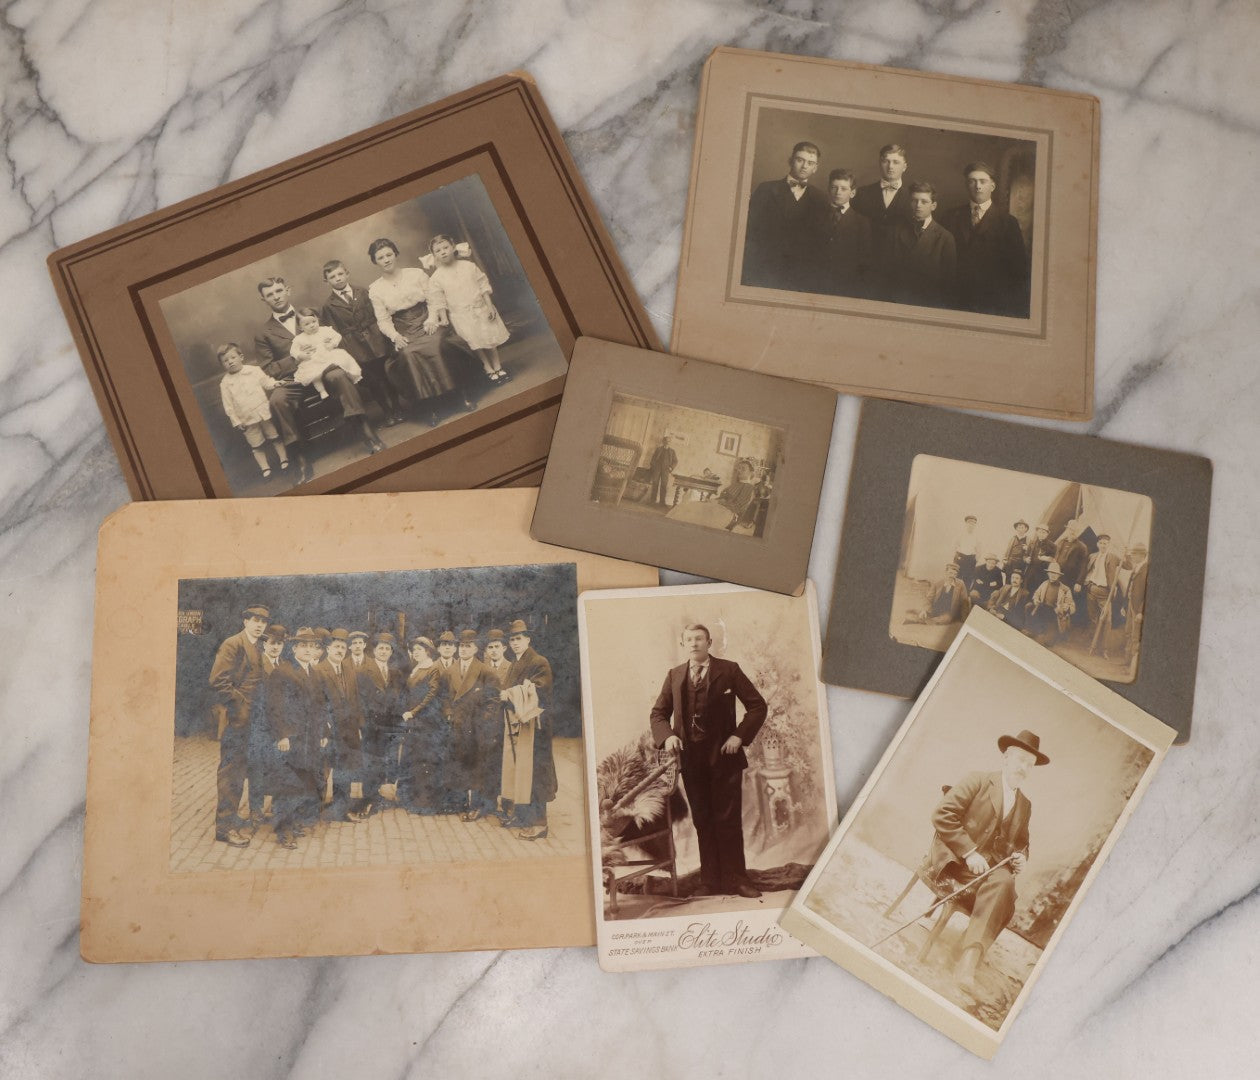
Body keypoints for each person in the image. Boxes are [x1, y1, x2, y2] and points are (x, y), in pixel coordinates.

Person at [649, 623, 767, 898]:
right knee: (702, 819)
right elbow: (658, 714)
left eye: (699, 638)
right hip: (691, 760)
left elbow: (757, 706)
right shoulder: (675, 675)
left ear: (709, 642)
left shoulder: (729, 670)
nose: (694, 643)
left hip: (724, 757)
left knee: (728, 820)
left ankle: (737, 879)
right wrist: (668, 736)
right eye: (689, 639)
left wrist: (739, 736)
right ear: (683, 644)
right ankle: (710, 880)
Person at [926, 729, 1048, 986]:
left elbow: (1022, 843)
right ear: (1006, 757)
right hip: (956, 861)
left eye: (1030, 764)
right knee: (1005, 891)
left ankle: (967, 957)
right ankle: (967, 960)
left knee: (1005, 884)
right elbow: (942, 814)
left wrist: (1021, 857)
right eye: (1020, 759)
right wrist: (969, 852)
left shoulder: (1025, 805)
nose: (1023, 768)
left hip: (989, 873)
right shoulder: (978, 780)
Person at [251, 276, 372, 482]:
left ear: (288, 290)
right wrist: (295, 358)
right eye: (270, 295)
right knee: (277, 400)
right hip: (293, 380)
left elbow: (333, 338)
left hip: (323, 368)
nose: (276, 297)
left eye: (279, 291)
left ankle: (365, 431)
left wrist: (328, 345)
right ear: (263, 300)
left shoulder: (312, 314)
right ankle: (300, 459)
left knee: (338, 375)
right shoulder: (263, 333)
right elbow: (268, 368)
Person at [367, 237, 476, 426]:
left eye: (389, 254)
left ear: (396, 254)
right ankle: (429, 406)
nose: (386, 260)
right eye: (381, 257)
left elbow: (433, 299)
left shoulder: (416, 274)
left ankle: (460, 396)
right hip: (403, 329)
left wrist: (432, 319)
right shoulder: (375, 289)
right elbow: (383, 320)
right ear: (375, 262)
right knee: (408, 354)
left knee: (438, 344)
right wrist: (395, 336)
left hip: (426, 320)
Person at [263, 627, 332, 848]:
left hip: (310, 738)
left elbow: (321, 706)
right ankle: (283, 830)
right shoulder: (282, 671)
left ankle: (293, 823)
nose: (308, 650)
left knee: (304, 781)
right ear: (294, 648)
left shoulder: (314, 672)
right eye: (303, 646)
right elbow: (274, 707)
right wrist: (282, 736)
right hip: (291, 739)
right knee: (287, 783)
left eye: (312, 646)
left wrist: (323, 733)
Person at [208, 603, 269, 847]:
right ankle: (224, 829)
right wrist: (240, 707)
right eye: (255, 620)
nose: (259, 625)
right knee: (231, 774)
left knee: (243, 772)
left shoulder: (258, 646)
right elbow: (218, 681)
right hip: (237, 721)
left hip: (253, 722)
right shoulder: (233, 644)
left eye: (263, 621)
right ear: (245, 621)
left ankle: (232, 819)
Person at [288, 310, 386, 456]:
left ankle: (362, 425)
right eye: (307, 324)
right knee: (334, 374)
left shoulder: (324, 330)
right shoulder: (298, 339)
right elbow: (291, 354)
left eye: (313, 321)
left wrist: (331, 343)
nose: (312, 325)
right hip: (311, 368)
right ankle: (361, 425)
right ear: (300, 327)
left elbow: (337, 337)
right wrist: (301, 356)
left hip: (330, 360)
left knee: (340, 373)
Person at [320, 259, 404, 426]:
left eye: (340, 274)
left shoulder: (363, 291)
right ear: (326, 281)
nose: (338, 278)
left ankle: (397, 408)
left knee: (387, 375)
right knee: (373, 382)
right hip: (354, 347)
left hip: (376, 339)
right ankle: (387, 412)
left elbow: (378, 314)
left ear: (347, 273)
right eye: (332, 277)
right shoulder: (328, 306)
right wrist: (345, 350)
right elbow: (332, 332)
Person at [942, 162, 1029, 317]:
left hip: (992, 302)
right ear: (966, 185)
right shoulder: (951, 217)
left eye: (983, 181)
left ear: (992, 186)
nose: (978, 186)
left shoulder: (1008, 222)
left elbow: (1018, 269)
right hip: (956, 299)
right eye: (972, 181)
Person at [424, 235, 512, 383]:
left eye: (446, 247)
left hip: (480, 309)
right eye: (438, 250)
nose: (443, 252)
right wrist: (443, 317)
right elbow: (438, 300)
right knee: (474, 341)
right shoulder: (436, 278)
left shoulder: (468, 266)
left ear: (453, 247)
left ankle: (497, 366)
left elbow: (483, 286)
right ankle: (488, 368)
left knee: (489, 338)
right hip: (460, 315)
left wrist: (489, 306)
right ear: (434, 255)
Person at [742, 141, 828, 290]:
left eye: (810, 163)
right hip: (766, 268)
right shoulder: (766, 189)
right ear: (790, 161)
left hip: (802, 273)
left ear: (815, 168)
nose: (804, 166)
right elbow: (750, 230)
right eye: (800, 160)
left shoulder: (821, 198)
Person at [499, 620, 558, 840]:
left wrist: (510, 694)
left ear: (528, 639)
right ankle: (523, 817)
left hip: (535, 726)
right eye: (512, 639)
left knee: (536, 774)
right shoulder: (515, 663)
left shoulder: (539, 661)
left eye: (519, 639)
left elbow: (539, 690)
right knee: (519, 771)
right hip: (518, 724)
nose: (515, 643)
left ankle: (540, 824)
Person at [352, 631, 404, 821]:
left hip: (389, 727)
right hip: (371, 726)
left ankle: (379, 796)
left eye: (387, 649)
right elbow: (358, 701)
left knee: (386, 762)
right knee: (371, 764)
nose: (384, 652)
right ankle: (369, 800)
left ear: (391, 652)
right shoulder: (363, 672)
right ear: (374, 650)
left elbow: (400, 699)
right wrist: (362, 725)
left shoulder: (395, 673)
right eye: (381, 648)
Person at [216, 344, 289, 479]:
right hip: (246, 418)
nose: (230, 362)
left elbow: (266, 382)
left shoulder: (254, 371)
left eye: (233, 357)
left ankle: (284, 459)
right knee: (256, 445)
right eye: (225, 361)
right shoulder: (225, 384)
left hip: (263, 412)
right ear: (222, 365)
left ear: (241, 357)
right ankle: (265, 468)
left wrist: (275, 383)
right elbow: (228, 406)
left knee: (274, 436)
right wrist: (236, 421)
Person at [851, 143, 915, 293]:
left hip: (900, 270)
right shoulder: (862, 193)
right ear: (880, 163)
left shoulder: (914, 199)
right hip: (865, 268)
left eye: (896, 162)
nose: (890, 166)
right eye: (886, 161)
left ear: (905, 166)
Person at [399, 636, 450, 814]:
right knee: (415, 761)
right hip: (416, 723)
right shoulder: (417, 668)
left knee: (426, 762)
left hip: (427, 723)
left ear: (428, 651)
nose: (416, 653)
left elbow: (431, 695)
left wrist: (413, 712)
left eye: (419, 650)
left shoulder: (432, 668)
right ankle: (415, 800)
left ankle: (426, 803)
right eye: (414, 650)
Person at [448, 629, 496, 820]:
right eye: (461, 646)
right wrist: (449, 714)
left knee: (476, 767)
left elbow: (493, 701)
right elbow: (444, 697)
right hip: (457, 724)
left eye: (468, 646)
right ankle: (460, 803)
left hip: (476, 727)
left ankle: (476, 806)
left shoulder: (485, 671)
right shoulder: (451, 669)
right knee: (459, 764)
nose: (463, 649)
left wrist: (482, 721)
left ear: (476, 648)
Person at [318, 628, 365, 822]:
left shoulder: (349, 669)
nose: (340, 650)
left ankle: (342, 809)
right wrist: (324, 729)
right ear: (328, 648)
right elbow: (317, 704)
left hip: (348, 729)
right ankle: (317, 809)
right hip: (328, 730)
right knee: (323, 770)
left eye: (343, 647)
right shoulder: (320, 670)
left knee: (345, 770)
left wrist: (359, 726)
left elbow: (355, 699)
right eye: (336, 646)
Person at [888, 181, 957, 308]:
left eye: (924, 202)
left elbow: (948, 281)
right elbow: (889, 269)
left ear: (933, 206)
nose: (918, 205)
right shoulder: (897, 231)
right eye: (915, 201)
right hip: (898, 300)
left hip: (929, 302)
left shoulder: (945, 237)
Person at [247, 623, 287, 824]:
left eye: (279, 644)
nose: (275, 647)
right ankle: (255, 809)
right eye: (272, 643)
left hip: (278, 727)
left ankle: (276, 809)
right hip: (259, 725)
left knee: (278, 767)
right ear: (264, 644)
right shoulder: (256, 664)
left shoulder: (285, 666)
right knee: (257, 767)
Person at [816, 168, 872, 297]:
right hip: (818, 282)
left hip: (847, 284)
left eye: (843, 189)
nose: (838, 192)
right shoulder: (816, 217)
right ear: (828, 189)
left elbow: (864, 259)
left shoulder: (862, 222)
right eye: (834, 187)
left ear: (852, 193)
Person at [667, 458, 761, 533]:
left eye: (743, 469)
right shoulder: (735, 484)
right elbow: (722, 498)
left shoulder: (749, 488)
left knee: (690, 514)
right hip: (719, 508)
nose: (739, 470)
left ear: (751, 473)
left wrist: (720, 502)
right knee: (685, 507)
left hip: (728, 515)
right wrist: (713, 500)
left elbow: (738, 508)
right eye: (739, 468)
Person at [1082, 534, 1122, 656]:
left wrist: (1126, 554)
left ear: (1109, 545)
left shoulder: (1113, 557)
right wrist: (1087, 583)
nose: (1103, 545)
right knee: (1093, 618)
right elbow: (1088, 570)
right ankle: (1092, 645)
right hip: (1092, 590)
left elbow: (1129, 565)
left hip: (1105, 594)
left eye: (1105, 543)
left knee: (1107, 621)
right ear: (1097, 544)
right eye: (1101, 543)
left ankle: (1104, 649)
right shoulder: (1092, 556)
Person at [1025, 561, 1076, 645]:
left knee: (1048, 642)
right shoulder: (1044, 584)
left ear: (1059, 575)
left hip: (1054, 614)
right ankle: (1032, 629)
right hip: (1042, 609)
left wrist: (1065, 607)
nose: (1053, 575)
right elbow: (1036, 594)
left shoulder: (1065, 589)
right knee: (1029, 606)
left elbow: (1072, 607)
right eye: (1051, 573)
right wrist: (1036, 599)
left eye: (1055, 574)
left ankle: (1049, 634)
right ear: (1048, 573)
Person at [904, 562, 971, 625]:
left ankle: (916, 619)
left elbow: (964, 601)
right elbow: (929, 598)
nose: (952, 576)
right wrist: (924, 610)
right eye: (950, 573)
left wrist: (964, 617)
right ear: (946, 572)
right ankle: (919, 613)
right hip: (936, 608)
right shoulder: (938, 583)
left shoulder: (960, 584)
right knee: (924, 613)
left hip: (949, 611)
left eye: (955, 574)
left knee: (946, 619)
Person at [1122, 543, 1149, 666]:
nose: (1132, 556)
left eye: (1134, 554)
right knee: (1128, 632)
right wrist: (1124, 605)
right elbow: (1129, 587)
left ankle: (1132, 665)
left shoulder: (1147, 570)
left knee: (1135, 635)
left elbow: (1147, 594)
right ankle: (1126, 661)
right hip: (1130, 604)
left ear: (1142, 555)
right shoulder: (1136, 567)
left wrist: (1141, 611)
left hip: (1137, 608)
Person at [1053, 519, 1090, 597]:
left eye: (1075, 530)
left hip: (1070, 578)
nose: (1072, 532)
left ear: (1078, 531)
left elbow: (1084, 566)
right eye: (1070, 529)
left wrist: (1079, 582)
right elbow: (1055, 558)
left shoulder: (1082, 547)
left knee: (1064, 598)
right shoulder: (1061, 542)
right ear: (1067, 529)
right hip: (1057, 575)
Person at [1023, 522, 1057, 596]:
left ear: (1047, 534)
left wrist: (1047, 559)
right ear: (1037, 532)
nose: (1041, 534)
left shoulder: (1052, 546)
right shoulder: (1032, 543)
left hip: (1042, 573)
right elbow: (1025, 556)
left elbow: (1053, 560)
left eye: (1044, 532)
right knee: (1026, 591)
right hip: (1030, 572)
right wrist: (1026, 559)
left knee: (1037, 592)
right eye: (1040, 532)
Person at [952, 514, 982, 590]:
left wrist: (975, 560)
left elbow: (979, 550)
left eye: (973, 524)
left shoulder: (977, 536)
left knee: (968, 578)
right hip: (960, 557)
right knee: (957, 576)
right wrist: (956, 558)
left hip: (970, 559)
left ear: (975, 525)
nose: (971, 525)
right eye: (969, 523)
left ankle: (965, 595)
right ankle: (955, 593)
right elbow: (955, 547)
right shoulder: (960, 534)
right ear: (966, 524)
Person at [646, 435, 678, 507]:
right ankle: (653, 501)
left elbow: (675, 461)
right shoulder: (658, 449)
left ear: (670, 442)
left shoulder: (672, 451)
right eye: (666, 441)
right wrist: (653, 466)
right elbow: (653, 459)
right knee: (655, 484)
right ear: (663, 441)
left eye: (669, 441)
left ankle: (662, 502)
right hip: (657, 469)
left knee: (664, 485)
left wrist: (671, 467)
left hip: (666, 470)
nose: (667, 442)